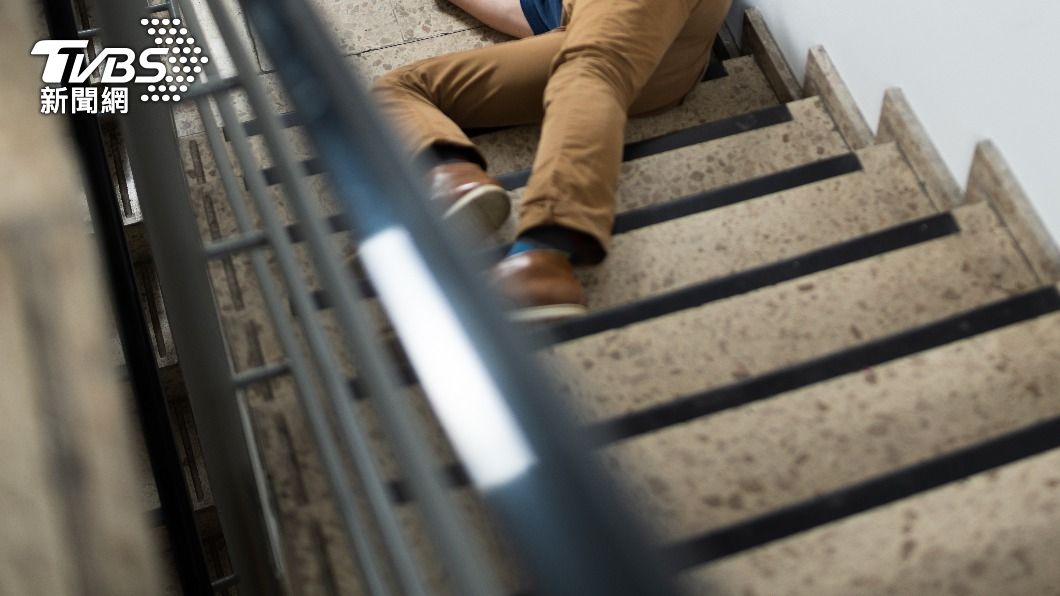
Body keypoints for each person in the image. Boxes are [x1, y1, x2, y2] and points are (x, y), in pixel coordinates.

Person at [372, 0, 732, 321]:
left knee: (590, 71)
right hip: (648, 71)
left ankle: (545, 251)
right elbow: (525, 16)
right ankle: (450, 174)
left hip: (636, 52)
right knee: (395, 89)